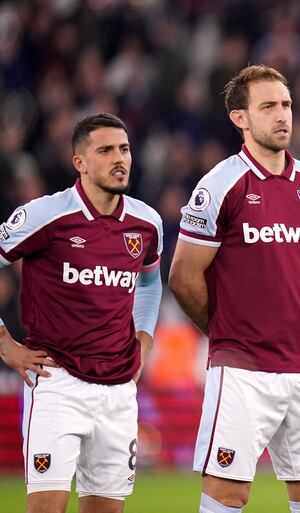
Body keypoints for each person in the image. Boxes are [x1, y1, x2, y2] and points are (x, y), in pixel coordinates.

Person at [169, 65, 300, 513]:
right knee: (229, 491)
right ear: (240, 118)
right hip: (242, 368)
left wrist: (292, 319)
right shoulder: (220, 185)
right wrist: (226, 330)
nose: (282, 115)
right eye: (268, 106)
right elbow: (183, 276)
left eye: (286, 105)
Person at [0, 112, 163, 513]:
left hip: (119, 388)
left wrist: (144, 334)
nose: (119, 158)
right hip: (57, 381)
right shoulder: (46, 215)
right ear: (80, 162)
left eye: (124, 149)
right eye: (105, 150)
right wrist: (4, 343)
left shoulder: (146, 223)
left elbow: (148, 281)